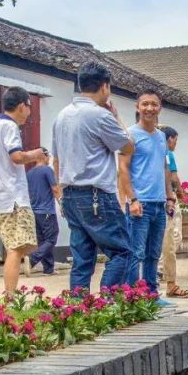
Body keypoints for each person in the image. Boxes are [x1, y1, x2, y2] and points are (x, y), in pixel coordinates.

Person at [52, 61, 136, 292]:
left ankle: (79, 310)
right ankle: (107, 303)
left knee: (82, 258)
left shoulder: (62, 116)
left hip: (70, 194)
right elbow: (128, 147)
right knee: (122, 251)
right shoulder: (100, 116)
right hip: (97, 195)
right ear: (105, 87)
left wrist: (60, 193)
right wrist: (116, 117)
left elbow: (56, 159)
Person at [0, 86, 43, 295]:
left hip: (1, 198)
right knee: (17, 248)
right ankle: (10, 296)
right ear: (21, 106)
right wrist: (35, 154)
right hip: (13, 198)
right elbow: (17, 156)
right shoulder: (10, 128)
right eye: (29, 106)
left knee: (19, 246)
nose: (29, 112)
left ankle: (12, 291)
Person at [122, 90, 175, 296]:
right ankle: (134, 296)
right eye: (145, 104)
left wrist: (169, 196)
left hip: (158, 203)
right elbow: (123, 168)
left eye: (154, 104)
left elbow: (164, 168)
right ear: (137, 107)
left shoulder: (162, 137)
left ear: (159, 108)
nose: (149, 108)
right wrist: (132, 199)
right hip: (139, 203)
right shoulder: (130, 135)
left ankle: (152, 294)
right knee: (136, 252)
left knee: (154, 253)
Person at [159, 126, 188, 298]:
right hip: (167, 199)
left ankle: (164, 273)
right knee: (171, 238)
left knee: (169, 238)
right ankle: (166, 276)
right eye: (175, 140)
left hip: (162, 198)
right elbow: (173, 177)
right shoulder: (167, 153)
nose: (175, 144)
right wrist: (179, 193)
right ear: (170, 138)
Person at [25, 148, 60, 275]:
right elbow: (55, 189)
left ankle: (48, 269)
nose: (49, 158)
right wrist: (62, 204)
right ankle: (32, 259)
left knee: (43, 241)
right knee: (51, 238)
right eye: (48, 155)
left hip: (34, 212)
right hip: (46, 211)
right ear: (43, 156)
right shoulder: (47, 170)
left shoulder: (29, 173)